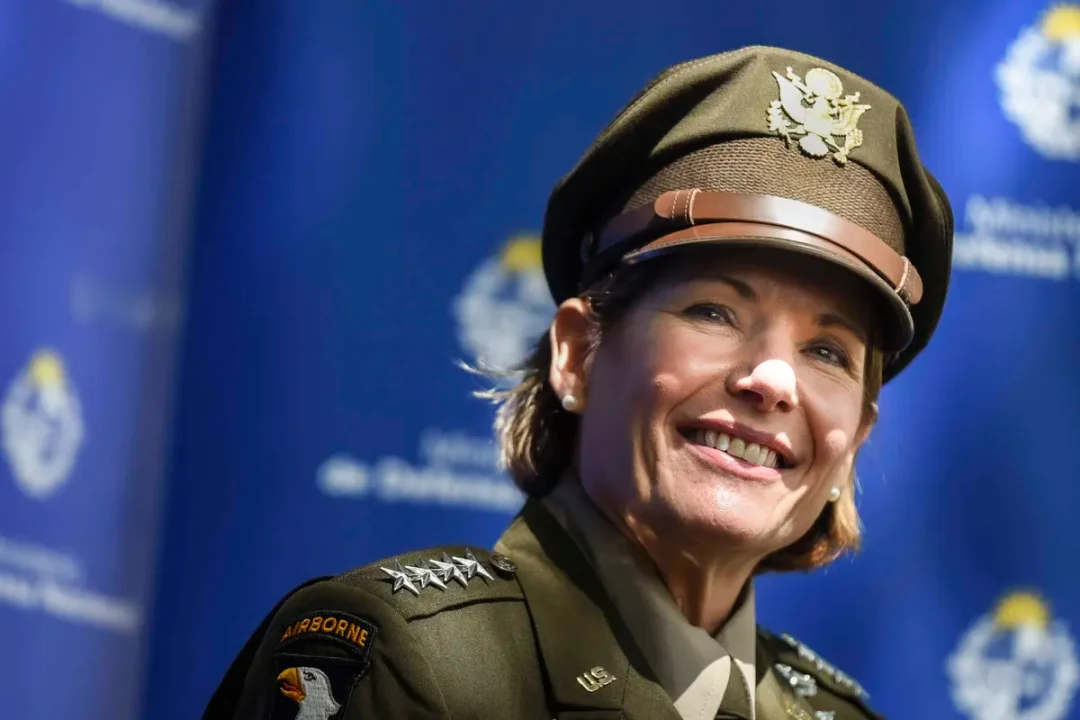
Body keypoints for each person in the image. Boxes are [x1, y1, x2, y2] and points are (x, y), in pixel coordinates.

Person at [204, 44, 953, 720]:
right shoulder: (409, 665)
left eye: (828, 352)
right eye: (714, 311)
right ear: (576, 355)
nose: (772, 380)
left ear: (856, 437)